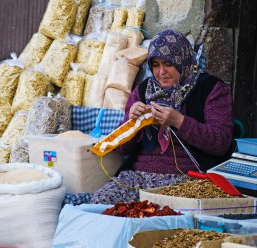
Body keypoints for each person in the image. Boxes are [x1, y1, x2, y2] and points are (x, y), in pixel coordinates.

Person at [90, 29, 234, 205]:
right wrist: (132, 123)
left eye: (168, 64)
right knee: (100, 202)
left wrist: (179, 122)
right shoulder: (143, 91)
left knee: (165, 216)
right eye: (155, 65)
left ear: (182, 60)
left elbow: (221, 143)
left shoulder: (211, 89)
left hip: (188, 180)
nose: (161, 72)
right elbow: (123, 150)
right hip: (138, 178)